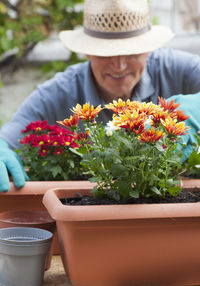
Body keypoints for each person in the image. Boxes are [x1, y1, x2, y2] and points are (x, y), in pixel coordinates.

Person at [0, 0, 200, 193]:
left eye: (131, 52)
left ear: (148, 49)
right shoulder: (60, 91)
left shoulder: (174, 68)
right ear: (87, 52)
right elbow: (10, 135)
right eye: (106, 53)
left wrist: (192, 110)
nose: (119, 66)